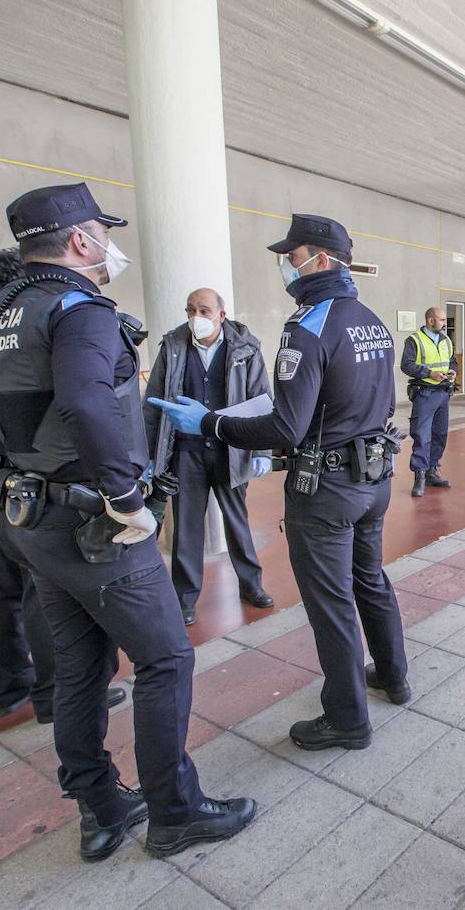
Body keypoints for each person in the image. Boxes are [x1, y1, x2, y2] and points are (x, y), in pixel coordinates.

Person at [0, 183, 254, 862]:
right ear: (80, 241)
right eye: (101, 232)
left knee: (81, 670)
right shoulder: (77, 308)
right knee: (167, 657)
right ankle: (175, 810)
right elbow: (87, 403)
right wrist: (126, 500)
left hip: (31, 521)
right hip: (94, 525)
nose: (110, 245)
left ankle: (101, 809)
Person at [150, 213, 410, 752]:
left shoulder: (308, 324)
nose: (286, 266)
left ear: (318, 259)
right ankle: (393, 675)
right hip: (373, 478)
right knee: (370, 580)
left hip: (327, 491)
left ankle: (346, 719)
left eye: (291, 257)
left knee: (331, 600)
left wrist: (211, 422)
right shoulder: (371, 320)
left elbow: (287, 425)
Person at [0, 248, 127, 724]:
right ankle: (54, 691)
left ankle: (8, 687)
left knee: (5, 587)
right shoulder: (34, 331)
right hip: (29, 487)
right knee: (40, 587)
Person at [143, 287, 274, 626]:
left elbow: (261, 400)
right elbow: (152, 404)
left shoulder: (245, 348)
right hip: (186, 452)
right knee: (186, 528)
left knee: (237, 523)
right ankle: (185, 597)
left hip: (230, 448)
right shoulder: (173, 347)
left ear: (221, 314)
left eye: (204, 310)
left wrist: (261, 451)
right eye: (191, 310)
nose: (196, 317)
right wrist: (146, 457)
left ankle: (252, 585)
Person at [400, 306, 456, 497]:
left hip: (443, 394)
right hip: (424, 394)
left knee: (440, 434)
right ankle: (419, 476)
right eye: (441, 320)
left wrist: (453, 371)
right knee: (422, 436)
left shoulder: (446, 340)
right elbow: (406, 365)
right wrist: (429, 373)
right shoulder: (414, 340)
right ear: (430, 321)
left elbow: (452, 361)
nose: (444, 323)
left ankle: (432, 471)